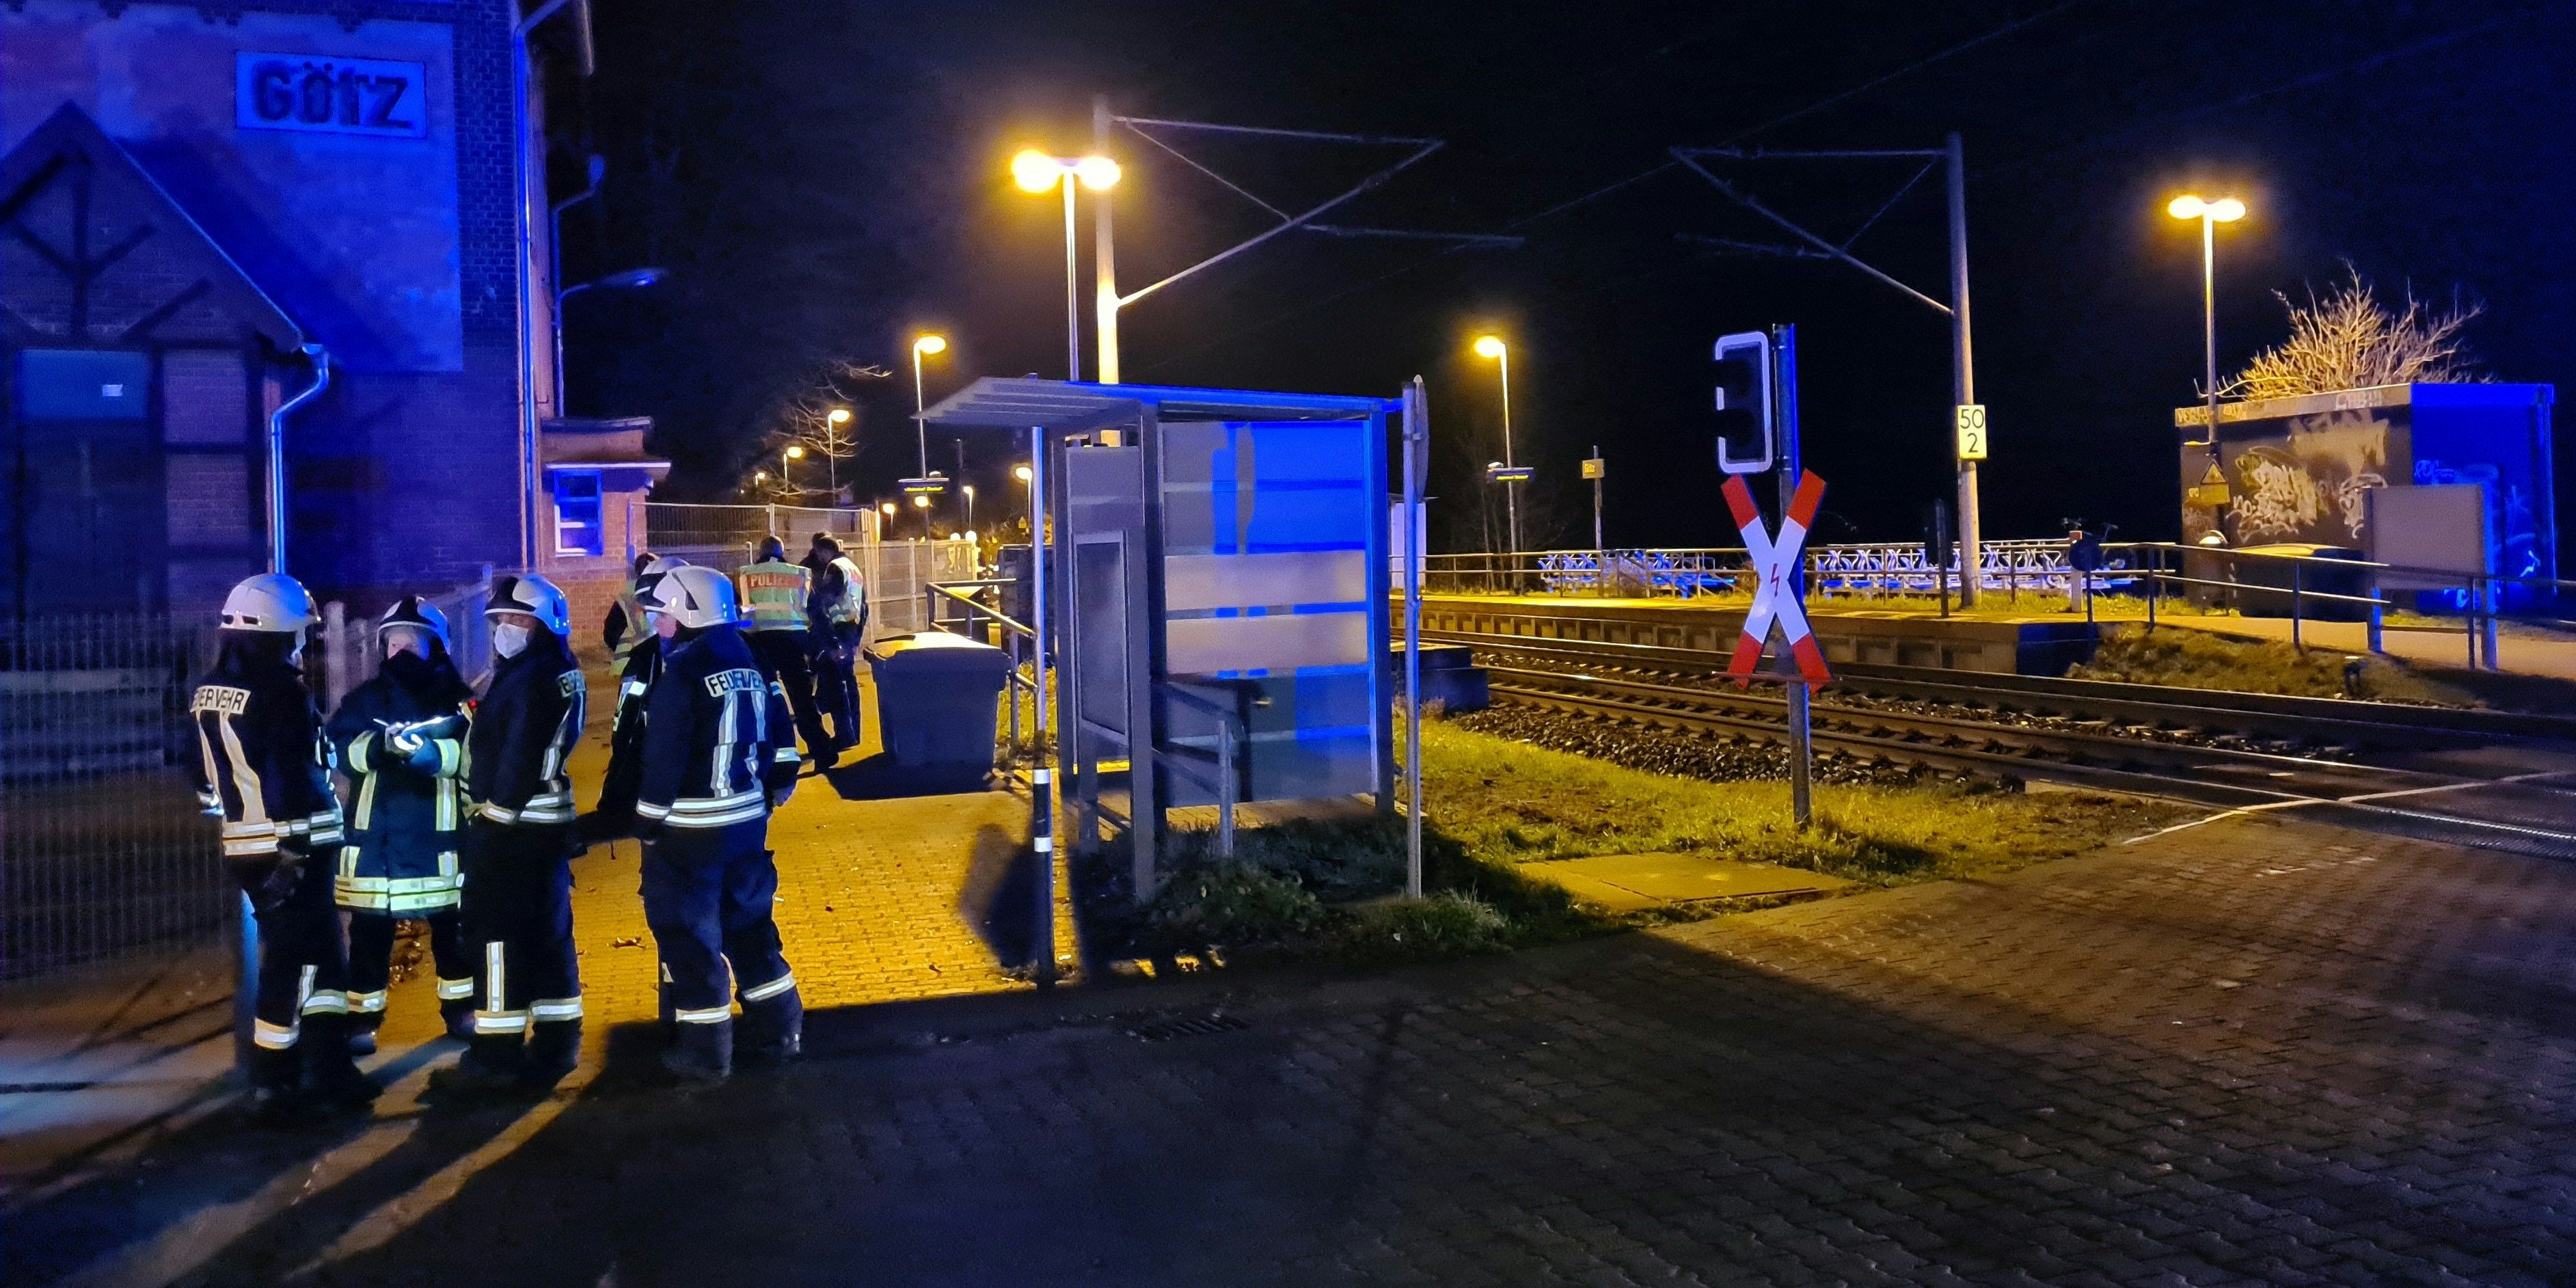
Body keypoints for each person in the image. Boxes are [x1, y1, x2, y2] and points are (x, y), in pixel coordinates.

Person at [189, 573, 378, 1123]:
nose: (303, 645)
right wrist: (289, 851)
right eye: (297, 634)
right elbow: (287, 774)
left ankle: (330, 1070)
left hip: (248, 847)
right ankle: (278, 1084)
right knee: (295, 968)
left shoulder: (205, 692)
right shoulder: (281, 692)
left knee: (320, 963)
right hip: (296, 850)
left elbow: (200, 774)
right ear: (274, 633)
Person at [632, 563, 803, 1081]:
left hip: (690, 834)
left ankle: (706, 1055)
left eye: (663, 615)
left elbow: (665, 754)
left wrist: (646, 818)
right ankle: (781, 1032)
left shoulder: (682, 671)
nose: (657, 625)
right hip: (747, 825)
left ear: (689, 613)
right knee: (751, 933)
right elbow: (775, 735)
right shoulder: (749, 661)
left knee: (691, 942)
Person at [435, 574, 588, 1095]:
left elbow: (520, 755)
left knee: (495, 938)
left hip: (512, 829)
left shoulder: (532, 678)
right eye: (499, 621)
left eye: (516, 620)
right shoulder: (553, 670)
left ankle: (495, 1053)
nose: (504, 629)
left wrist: (493, 817)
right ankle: (557, 1039)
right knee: (547, 936)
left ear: (543, 625)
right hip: (545, 827)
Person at [325, 597, 476, 1051]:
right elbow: (339, 752)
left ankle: (462, 1012)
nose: (402, 651)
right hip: (378, 845)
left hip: (439, 841)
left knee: (454, 936)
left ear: (437, 647)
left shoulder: (461, 702)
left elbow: (477, 757)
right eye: (394, 642)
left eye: (413, 642)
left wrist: (435, 756)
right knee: (370, 937)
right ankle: (362, 1021)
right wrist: (376, 749)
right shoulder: (363, 701)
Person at [584, 554, 687, 844]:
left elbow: (625, 735)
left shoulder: (649, 656)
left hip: (671, 803)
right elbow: (626, 733)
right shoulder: (730, 650)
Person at [735, 536, 835, 767]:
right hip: (793, 642)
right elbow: (817, 613)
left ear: (760, 551)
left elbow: (735, 612)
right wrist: (830, 643)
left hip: (758, 642)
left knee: (763, 700)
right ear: (781, 551)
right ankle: (821, 749)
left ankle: (764, 754)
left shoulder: (745, 575)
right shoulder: (799, 574)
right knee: (802, 699)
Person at [802, 533, 867, 752]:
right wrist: (857, 635)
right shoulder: (853, 568)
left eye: (819, 554)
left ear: (823, 552)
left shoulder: (835, 568)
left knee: (837, 684)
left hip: (837, 631)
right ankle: (853, 733)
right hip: (851, 629)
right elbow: (864, 606)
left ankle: (844, 734)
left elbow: (828, 599)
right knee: (848, 684)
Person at [602, 550, 657, 667]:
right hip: (652, 665)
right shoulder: (662, 594)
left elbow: (609, 633)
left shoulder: (626, 596)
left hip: (625, 665)